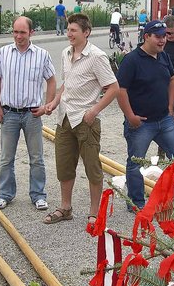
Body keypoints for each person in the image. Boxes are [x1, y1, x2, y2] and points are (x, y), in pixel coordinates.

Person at [43, 13, 118, 225]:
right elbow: (67, 83)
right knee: (64, 166)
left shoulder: (97, 56)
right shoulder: (66, 53)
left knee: (92, 167)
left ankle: (94, 213)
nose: (69, 34)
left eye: (74, 30)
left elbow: (113, 88)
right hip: (65, 118)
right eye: (68, 30)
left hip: (86, 120)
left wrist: (94, 111)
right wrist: (55, 102)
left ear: (86, 33)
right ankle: (65, 208)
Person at [116, 20, 174, 210]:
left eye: (164, 36)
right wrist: (130, 116)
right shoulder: (132, 60)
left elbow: (173, 79)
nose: (162, 40)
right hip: (141, 123)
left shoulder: (163, 57)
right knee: (136, 163)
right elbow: (120, 90)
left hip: (164, 120)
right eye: (158, 36)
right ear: (146, 36)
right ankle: (137, 203)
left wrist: (171, 106)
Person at [0, 16, 56, 211]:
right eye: (15, 32)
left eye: (22, 32)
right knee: (6, 157)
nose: (18, 36)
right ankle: (5, 194)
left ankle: (38, 195)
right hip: (9, 112)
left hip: (32, 114)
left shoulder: (42, 55)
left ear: (31, 33)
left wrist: (47, 105)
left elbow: (51, 80)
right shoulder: (3, 53)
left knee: (36, 157)